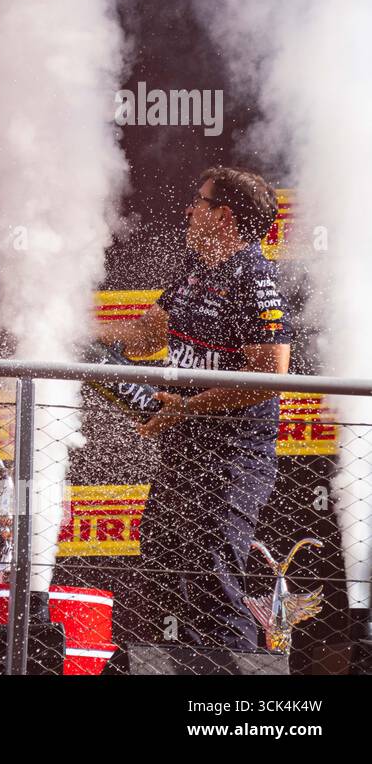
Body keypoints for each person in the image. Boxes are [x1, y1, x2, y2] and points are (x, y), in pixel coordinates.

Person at [96, 167, 291, 654]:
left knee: (212, 579)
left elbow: (271, 372)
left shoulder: (254, 277)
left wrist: (187, 407)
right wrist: (69, 326)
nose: (188, 210)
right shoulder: (196, 267)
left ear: (223, 216)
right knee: (162, 565)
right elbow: (144, 338)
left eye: (199, 202)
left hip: (231, 457)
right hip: (182, 447)